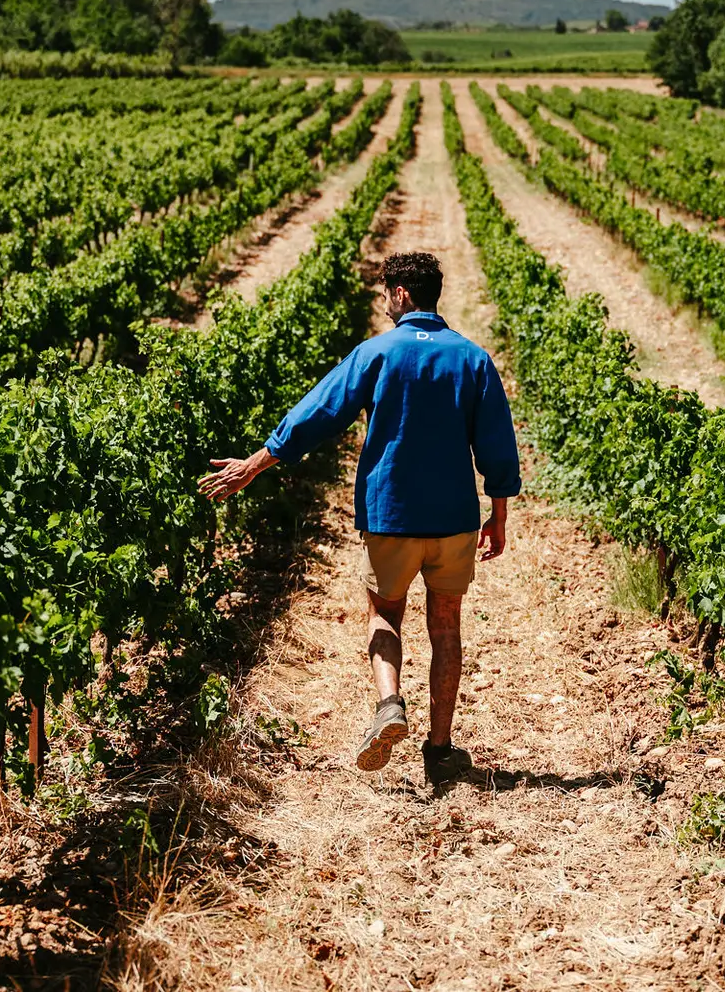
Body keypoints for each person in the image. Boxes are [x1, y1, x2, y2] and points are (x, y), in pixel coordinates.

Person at [198, 252, 520, 785]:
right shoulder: (472, 358)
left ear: (401, 295)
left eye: (384, 293)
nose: (383, 302)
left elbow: (316, 414)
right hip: (454, 520)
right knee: (446, 627)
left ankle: (390, 703)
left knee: (384, 616)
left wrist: (253, 467)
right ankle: (439, 749)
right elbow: (497, 444)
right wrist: (499, 513)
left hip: (389, 514)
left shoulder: (376, 353)